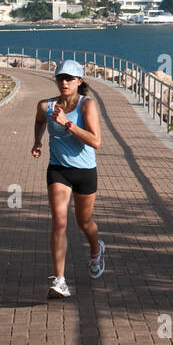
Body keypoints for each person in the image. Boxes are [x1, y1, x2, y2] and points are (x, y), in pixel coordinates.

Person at [31, 59, 104, 299]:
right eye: (60, 78)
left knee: (84, 222)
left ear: (79, 81)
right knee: (59, 222)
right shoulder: (46, 105)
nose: (64, 82)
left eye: (70, 78)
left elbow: (96, 141)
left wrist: (68, 124)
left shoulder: (87, 105)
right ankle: (60, 280)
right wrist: (38, 141)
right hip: (58, 170)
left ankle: (96, 249)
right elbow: (40, 121)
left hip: (84, 171)